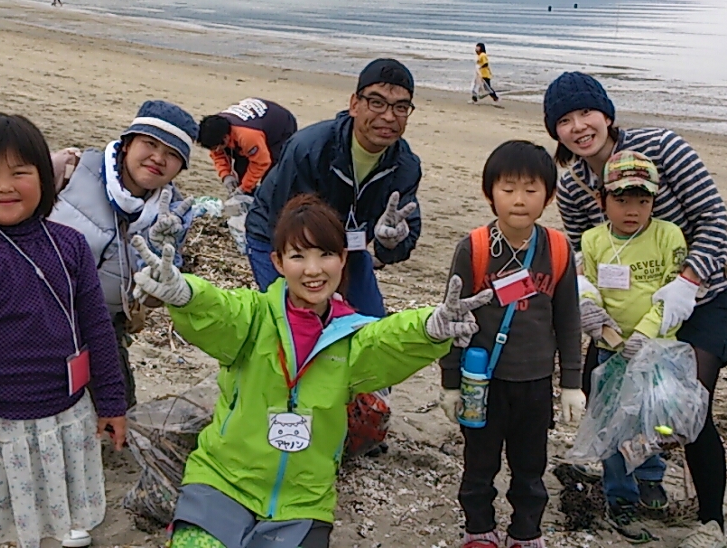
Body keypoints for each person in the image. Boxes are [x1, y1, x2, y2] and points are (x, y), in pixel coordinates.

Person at [129, 193, 494, 548]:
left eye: (326, 254)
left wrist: (430, 327)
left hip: (302, 501)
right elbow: (216, 308)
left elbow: (389, 340)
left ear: (343, 259)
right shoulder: (253, 316)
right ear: (278, 262)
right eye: (298, 256)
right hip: (222, 483)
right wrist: (183, 291)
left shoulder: (351, 336)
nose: (313, 269)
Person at [0, 113, 127, 548]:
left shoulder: (70, 245)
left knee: (53, 520)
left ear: (44, 178)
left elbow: (96, 327)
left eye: (20, 172)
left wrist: (112, 402)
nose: (5, 186)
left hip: (65, 417)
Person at [545, 71, 727, 548]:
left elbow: (716, 219)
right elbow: (586, 257)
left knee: (687, 403)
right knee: (601, 390)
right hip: (625, 313)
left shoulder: (663, 148)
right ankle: (634, 482)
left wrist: (688, 281)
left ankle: (711, 520)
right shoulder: (573, 187)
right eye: (564, 120)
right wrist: (589, 303)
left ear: (606, 114)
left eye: (586, 112)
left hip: (701, 297)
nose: (578, 127)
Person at [439, 141, 584, 548]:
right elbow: (452, 318)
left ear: (548, 196)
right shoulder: (474, 248)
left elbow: (568, 319)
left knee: (531, 466)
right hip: (481, 381)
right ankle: (479, 529)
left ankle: (526, 530)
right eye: (508, 188)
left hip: (535, 382)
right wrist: (450, 382)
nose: (519, 199)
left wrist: (571, 383)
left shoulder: (558, 249)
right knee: (479, 463)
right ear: (490, 193)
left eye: (531, 189)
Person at [49, 100, 199, 409]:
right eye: (150, 144)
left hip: (102, 327)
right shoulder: (72, 169)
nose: (158, 158)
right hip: (34, 311)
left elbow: (153, 299)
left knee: (117, 412)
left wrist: (161, 275)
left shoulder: (173, 215)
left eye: (172, 154)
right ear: (128, 142)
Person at [245, 58, 420, 319]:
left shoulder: (405, 166)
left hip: (348, 247)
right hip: (276, 237)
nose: (388, 116)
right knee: (297, 320)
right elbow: (283, 222)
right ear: (354, 105)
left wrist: (389, 241)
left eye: (401, 107)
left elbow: (400, 242)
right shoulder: (309, 149)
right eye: (377, 103)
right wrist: (320, 288)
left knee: (370, 323)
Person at [577, 151, 687, 542]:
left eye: (643, 200)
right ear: (602, 199)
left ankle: (651, 474)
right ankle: (620, 496)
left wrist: (645, 334)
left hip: (658, 349)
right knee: (613, 421)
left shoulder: (668, 236)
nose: (632, 210)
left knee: (656, 418)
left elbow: (673, 293)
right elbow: (588, 286)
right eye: (621, 200)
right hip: (612, 349)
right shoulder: (594, 240)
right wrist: (594, 316)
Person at [198, 98, 297, 197]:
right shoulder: (214, 129)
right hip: (254, 126)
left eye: (217, 147)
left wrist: (244, 188)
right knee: (242, 171)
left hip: (280, 129)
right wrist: (226, 175)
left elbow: (261, 162)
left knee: (271, 178)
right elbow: (218, 154)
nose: (216, 151)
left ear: (226, 137)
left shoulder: (247, 136)